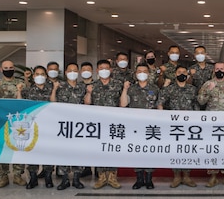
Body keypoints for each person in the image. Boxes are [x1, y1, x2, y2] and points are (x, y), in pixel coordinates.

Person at [0, 60, 27, 188]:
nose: (8, 69)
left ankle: (17, 176)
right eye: (6, 67)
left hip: (18, 123)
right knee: (1, 148)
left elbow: (25, 102)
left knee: (18, 147)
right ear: (1, 69)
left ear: (14, 68)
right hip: (0, 123)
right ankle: (3, 176)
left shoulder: (21, 84)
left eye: (11, 67)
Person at [84, 59, 124, 189]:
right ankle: (101, 177)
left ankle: (112, 177)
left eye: (107, 68)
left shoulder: (118, 84)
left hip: (114, 123)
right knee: (100, 149)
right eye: (101, 68)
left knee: (112, 149)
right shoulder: (92, 85)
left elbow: (122, 103)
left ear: (111, 70)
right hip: (98, 124)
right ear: (97, 71)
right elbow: (87, 103)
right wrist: (89, 92)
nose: (104, 70)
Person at [119, 63, 160, 189]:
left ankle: (148, 179)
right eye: (139, 71)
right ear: (136, 74)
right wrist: (125, 89)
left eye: (144, 71)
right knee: (137, 152)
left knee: (149, 152)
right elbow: (123, 105)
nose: (142, 73)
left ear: (148, 73)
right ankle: (139, 179)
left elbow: (159, 106)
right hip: (135, 127)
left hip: (150, 127)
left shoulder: (155, 88)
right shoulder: (131, 89)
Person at [198, 62, 224, 188]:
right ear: (213, 70)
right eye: (217, 69)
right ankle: (213, 176)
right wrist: (208, 91)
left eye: (221, 69)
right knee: (212, 149)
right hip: (211, 124)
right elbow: (201, 101)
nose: (219, 71)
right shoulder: (207, 84)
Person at [158, 65, 199, 188]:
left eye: (184, 72)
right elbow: (160, 103)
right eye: (179, 72)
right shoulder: (169, 89)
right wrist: (162, 118)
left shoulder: (193, 89)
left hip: (189, 126)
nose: (182, 74)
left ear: (187, 75)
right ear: (175, 74)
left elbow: (196, 106)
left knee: (188, 150)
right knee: (176, 150)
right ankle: (176, 176)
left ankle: (186, 176)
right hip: (174, 126)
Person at [50, 62, 87, 190]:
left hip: (79, 125)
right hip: (63, 125)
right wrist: (54, 89)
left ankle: (76, 178)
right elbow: (53, 103)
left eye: (75, 70)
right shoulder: (60, 86)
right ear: (65, 72)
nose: (72, 72)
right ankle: (64, 179)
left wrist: (88, 93)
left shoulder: (83, 87)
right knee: (63, 151)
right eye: (70, 70)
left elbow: (88, 104)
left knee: (78, 151)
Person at [19, 66, 55, 189]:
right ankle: (33, 177)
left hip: (48, 126)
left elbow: (56, 104)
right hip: (32, 126)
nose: (40, 76)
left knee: (48, 151)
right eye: (37, 74)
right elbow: (20, 105)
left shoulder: (52, 89)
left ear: (46, 76)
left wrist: (54, 90)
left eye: (42, 74)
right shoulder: (27, 91)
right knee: (32, 151)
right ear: (33, 76)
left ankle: (48, 176)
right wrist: (19, 91)